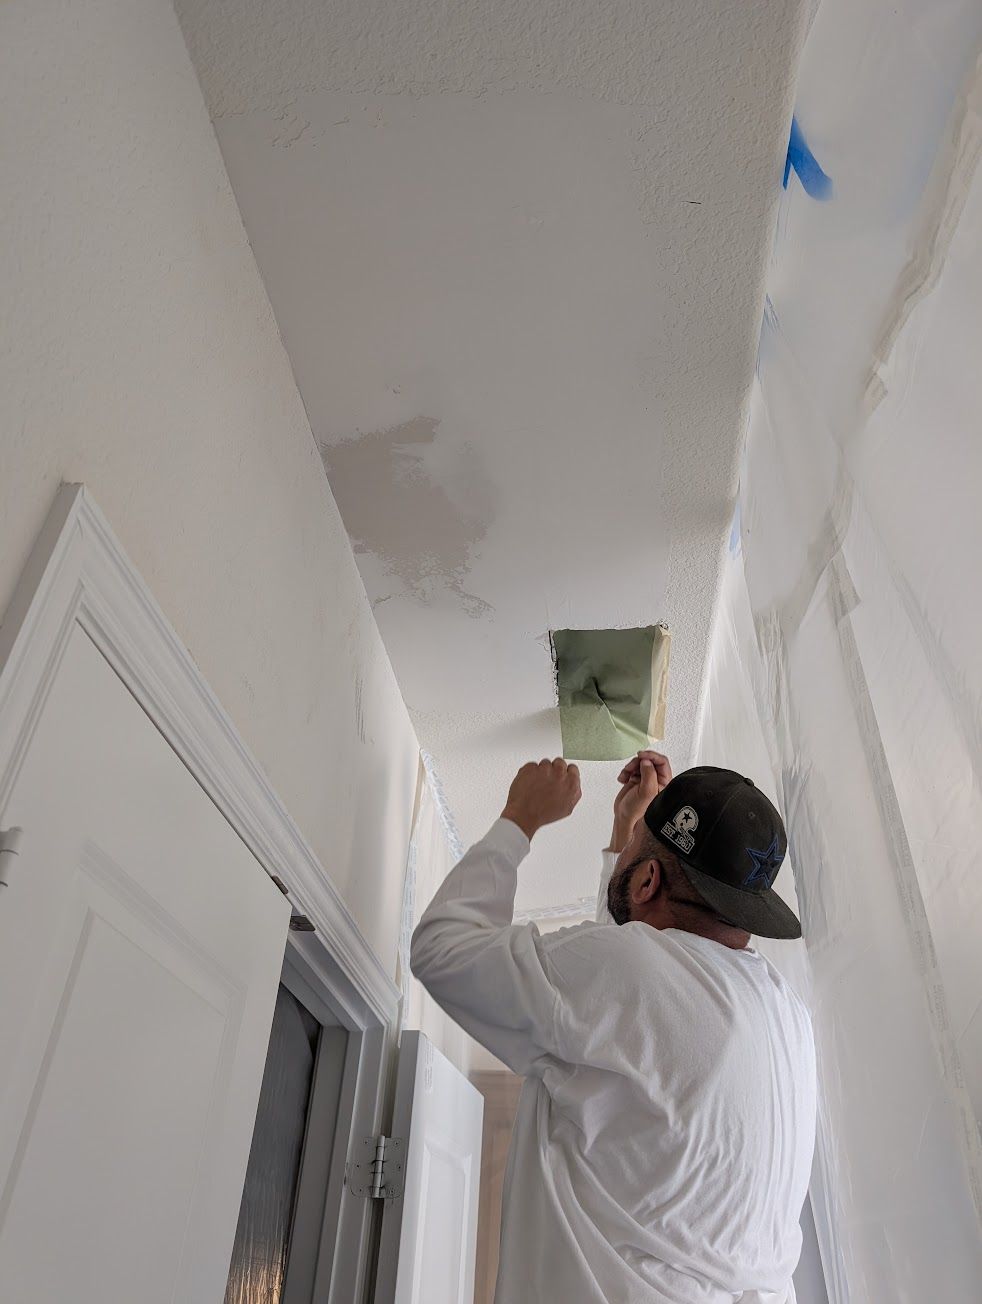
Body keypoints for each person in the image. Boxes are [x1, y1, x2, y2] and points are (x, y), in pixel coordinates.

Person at [410, 751, 817, 1304]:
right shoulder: (787, 1017)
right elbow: (617, 1021)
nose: (622, 851)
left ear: (648, 880)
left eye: (632, 853)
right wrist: (627, 835)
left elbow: (443, 949)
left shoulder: (622, 975)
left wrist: (519, 818)